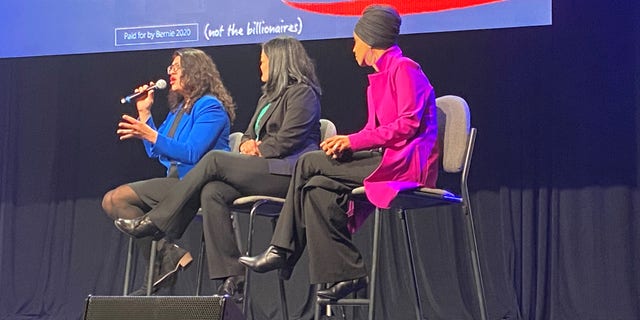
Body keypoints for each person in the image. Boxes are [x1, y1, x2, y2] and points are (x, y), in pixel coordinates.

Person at [238, 4, 440, 301]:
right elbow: (375, 130)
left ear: (370, 41)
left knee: (308, 162)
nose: (353, 45)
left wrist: (353, 143)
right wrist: (346, 141)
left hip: (405, 164)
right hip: (385, 157)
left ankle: (281, 249)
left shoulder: (405, 69)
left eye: (356, 39)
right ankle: (348, 274)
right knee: (317, 190)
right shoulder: (378, 79)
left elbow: (407, 125)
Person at [114, 36, 322, 299]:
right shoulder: (268, 98)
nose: (260, 68)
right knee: (212, 191)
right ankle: (231, 280)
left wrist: (261, 149)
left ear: (280, 61)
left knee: (213, 159)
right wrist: (247, 143)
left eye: (264, 62)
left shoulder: (302, 93)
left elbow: (291, 137)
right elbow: (248, 132)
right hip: (262, 168)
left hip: (286, 173)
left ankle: (157, 222)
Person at [102, 48, 236, 295]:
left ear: (195, 71)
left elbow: (192, 152)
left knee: (117, 197)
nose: (170, 73)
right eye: (170, 68)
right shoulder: (179, 110)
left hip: (197, 183)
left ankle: (165, 261)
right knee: (112, 201)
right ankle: (167, 256)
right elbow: (157, 151)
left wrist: (150, 135)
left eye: (176, 67)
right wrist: (145, 113)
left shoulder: (210, 107)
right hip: (175, 181)